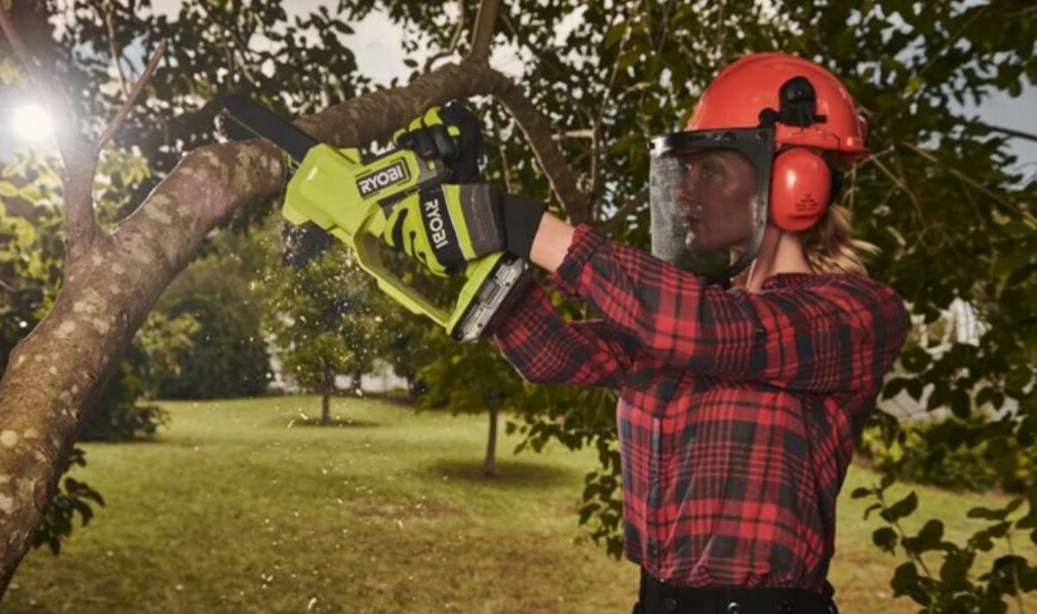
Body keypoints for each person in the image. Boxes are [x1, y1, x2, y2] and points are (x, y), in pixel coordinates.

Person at [384, 52, 909, 613]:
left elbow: (718, 336)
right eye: (686, 172)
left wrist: (516, 221)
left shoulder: (858, 315)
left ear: (793, 178)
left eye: (709, 170)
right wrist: (479, 238)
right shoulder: (686, 313)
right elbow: (553, 354)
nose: (685, 193)